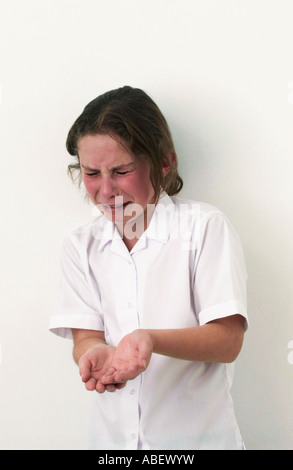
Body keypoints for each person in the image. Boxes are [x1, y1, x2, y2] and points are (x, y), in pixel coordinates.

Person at [49, 86, 248, 450]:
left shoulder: (204, 228)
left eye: (121, 171)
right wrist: (93, 354)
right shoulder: (80, 246)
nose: (106, 189)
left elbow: (228, 340)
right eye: (92, 173)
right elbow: (86, 338)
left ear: (164, 163)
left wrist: (150, 340)